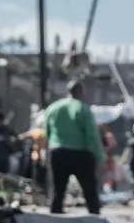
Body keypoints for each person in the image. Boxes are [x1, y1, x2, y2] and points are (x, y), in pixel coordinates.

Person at [41, 81, 104, 214]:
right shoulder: (83, 109)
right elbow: (91, 136)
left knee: (58, 190)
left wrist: (45, 151)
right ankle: (94, 217)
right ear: (81, 92)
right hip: (80, 153)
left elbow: (46, 132)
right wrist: (99, 157)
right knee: (89, 190)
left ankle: (55, 216)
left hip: (57, 152)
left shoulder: (52, 108)